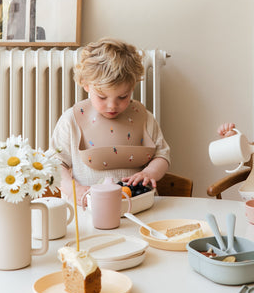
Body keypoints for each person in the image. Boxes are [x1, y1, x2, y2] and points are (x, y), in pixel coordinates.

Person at [51, 38, 170, 207]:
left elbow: (162, 155)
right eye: (102, 97)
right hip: (89, 210)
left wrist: (150, 172)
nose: (112, 105)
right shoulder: (71, 120)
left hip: (138, 207)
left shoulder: (145, 118)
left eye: (123, 97)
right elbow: (55, 163)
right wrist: (72, 189)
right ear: (85, 84)